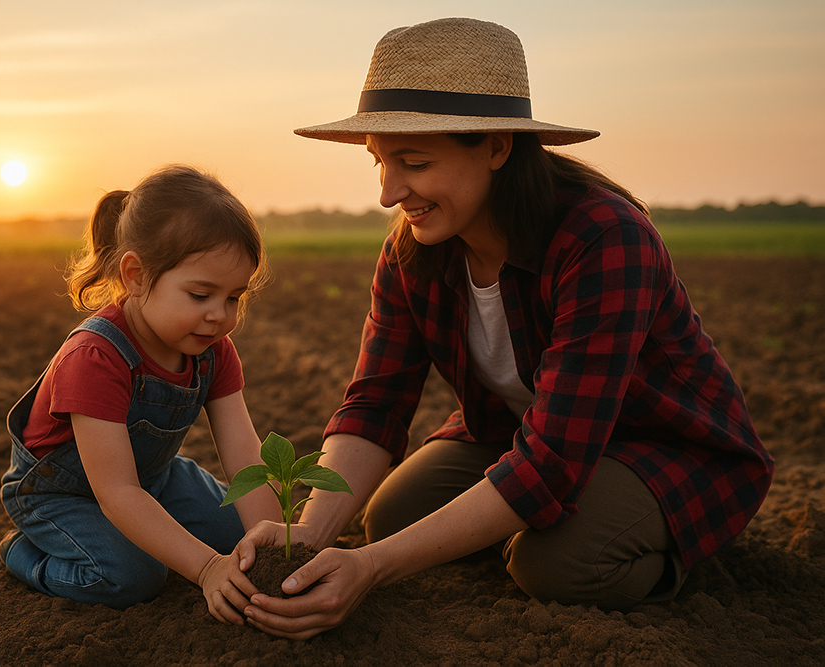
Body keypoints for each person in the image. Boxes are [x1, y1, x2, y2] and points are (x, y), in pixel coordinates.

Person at [237, 18, 774, 639]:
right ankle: (520, 523)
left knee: (557, 565)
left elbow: (552, 460)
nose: (388, 193)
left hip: (661, 445)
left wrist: (371, 569)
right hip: (518, 433)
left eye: (413, 162)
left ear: (497, 146)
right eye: (380, 162)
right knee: (391, 515)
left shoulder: (602, 238)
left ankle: (666, 542)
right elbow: (376, 405)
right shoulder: (412, 252)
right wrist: (307, 536)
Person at [0, 164, 279, 623]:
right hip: (62, 493)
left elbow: (245, 454)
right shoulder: (96, 358)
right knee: (134, 576)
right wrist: (207, 568)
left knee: (243, 538)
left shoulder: (214, 353)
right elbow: (117, 492)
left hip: (153, 478)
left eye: (234, 298)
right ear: (136, 275)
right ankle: (24, 552)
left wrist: (275, 541)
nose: (220, 316)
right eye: (201, 294)